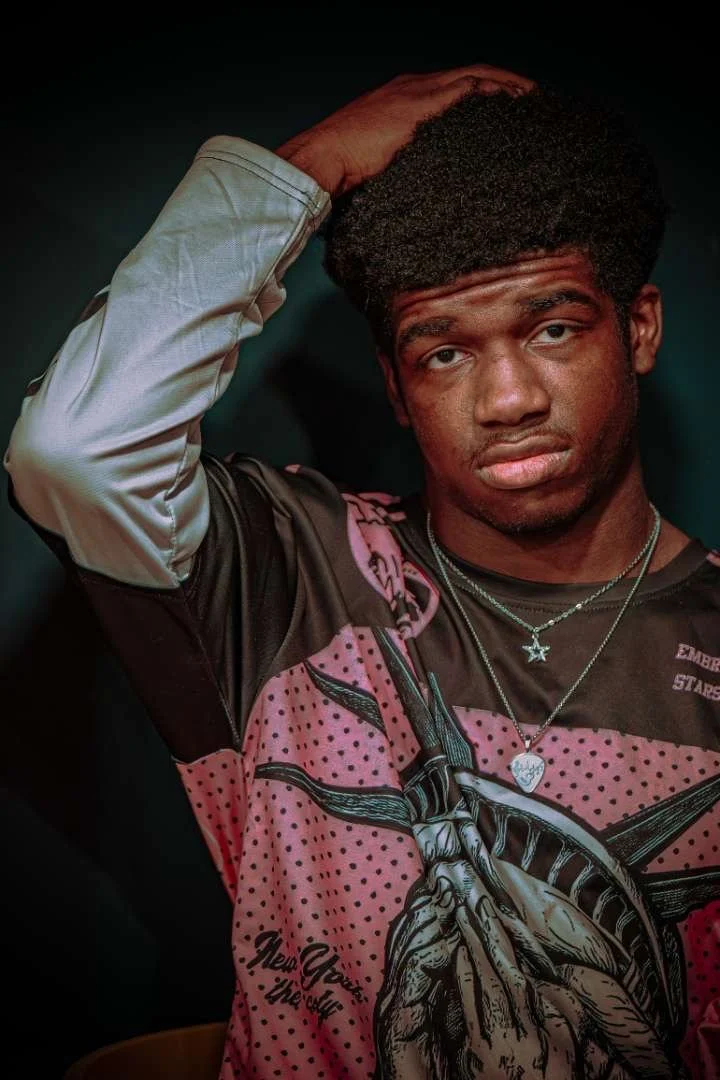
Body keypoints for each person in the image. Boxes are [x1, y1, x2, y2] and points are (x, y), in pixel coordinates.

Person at [5, 62, 719, 1079]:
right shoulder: (289, 573)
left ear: (638, 328)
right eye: (443, 353)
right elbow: (74, 450)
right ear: (394, 384)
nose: (509, 399)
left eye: (553, 328)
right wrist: (307, 169)